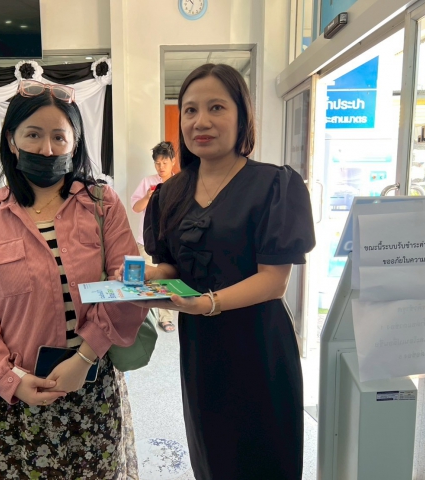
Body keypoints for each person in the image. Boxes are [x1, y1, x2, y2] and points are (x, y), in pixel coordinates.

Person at [0, 80, 146, 480]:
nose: (47, 149)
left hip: (91, 390)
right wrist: (10, 379)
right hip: (15, 399)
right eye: (33, 134)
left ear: (75, 142)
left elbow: (129, 285)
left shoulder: (102, 204)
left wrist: (83, 358)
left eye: (59, 137)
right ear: (12, 140)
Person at [126, 64, 316, 479]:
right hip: (203, 348)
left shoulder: (274, 185)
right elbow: (174, 265)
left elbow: (274, 280)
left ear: (242, 115)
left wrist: (207, 303)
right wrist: (146, 279)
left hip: (260, 344)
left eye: (216, 107)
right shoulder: (169, 194)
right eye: (190, 110)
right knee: (213, 455)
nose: (201, 121)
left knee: (265, 457)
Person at [130, 141, 177, 332]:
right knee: (145, 279)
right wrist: (148, 197)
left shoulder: (179, 182)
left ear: (173, 161)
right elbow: (135, 208)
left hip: (170, 241)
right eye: (157, 163)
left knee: (166, 280)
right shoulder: (147, 182)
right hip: (146, 239)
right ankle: (145, 319)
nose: (161, 167)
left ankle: (166, 318)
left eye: (165, 162)